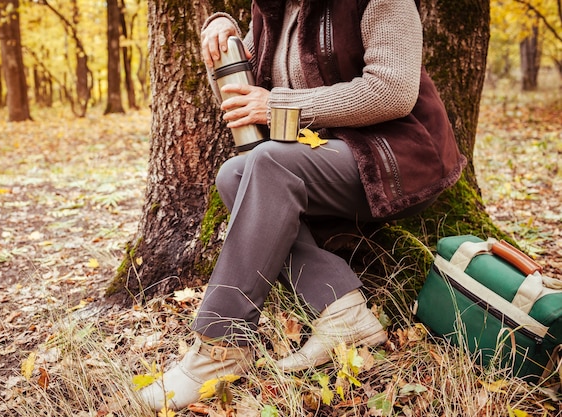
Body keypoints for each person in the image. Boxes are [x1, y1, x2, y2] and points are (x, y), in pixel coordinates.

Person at [140, 0, 466, 411]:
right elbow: (243, 99)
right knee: (235, 174)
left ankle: (219, 349)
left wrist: (282, 106)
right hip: (324, 153)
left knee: (266, 161)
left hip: (399, 156)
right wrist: (222, 39)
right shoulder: (273, 8)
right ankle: (341, 311)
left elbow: (393, 91)